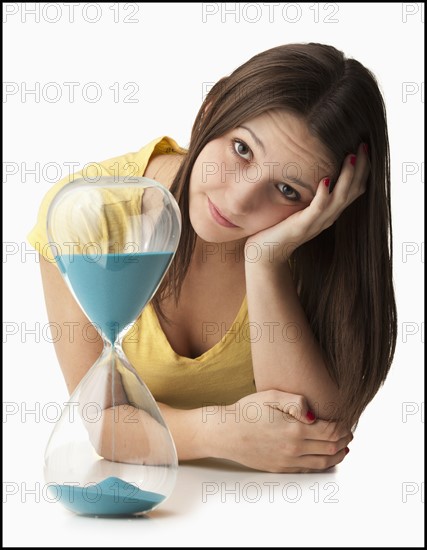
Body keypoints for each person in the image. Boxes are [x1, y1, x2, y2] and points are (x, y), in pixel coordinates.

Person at [28, 42, 397, 473]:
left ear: (329, 203)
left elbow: (316, 438)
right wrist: (218, 432)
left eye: (287, 190)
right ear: (210, 109)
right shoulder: (87, 215)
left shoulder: (304, 246)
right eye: (242, 149)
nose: (239, 200)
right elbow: (102, 421)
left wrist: (265, 261)